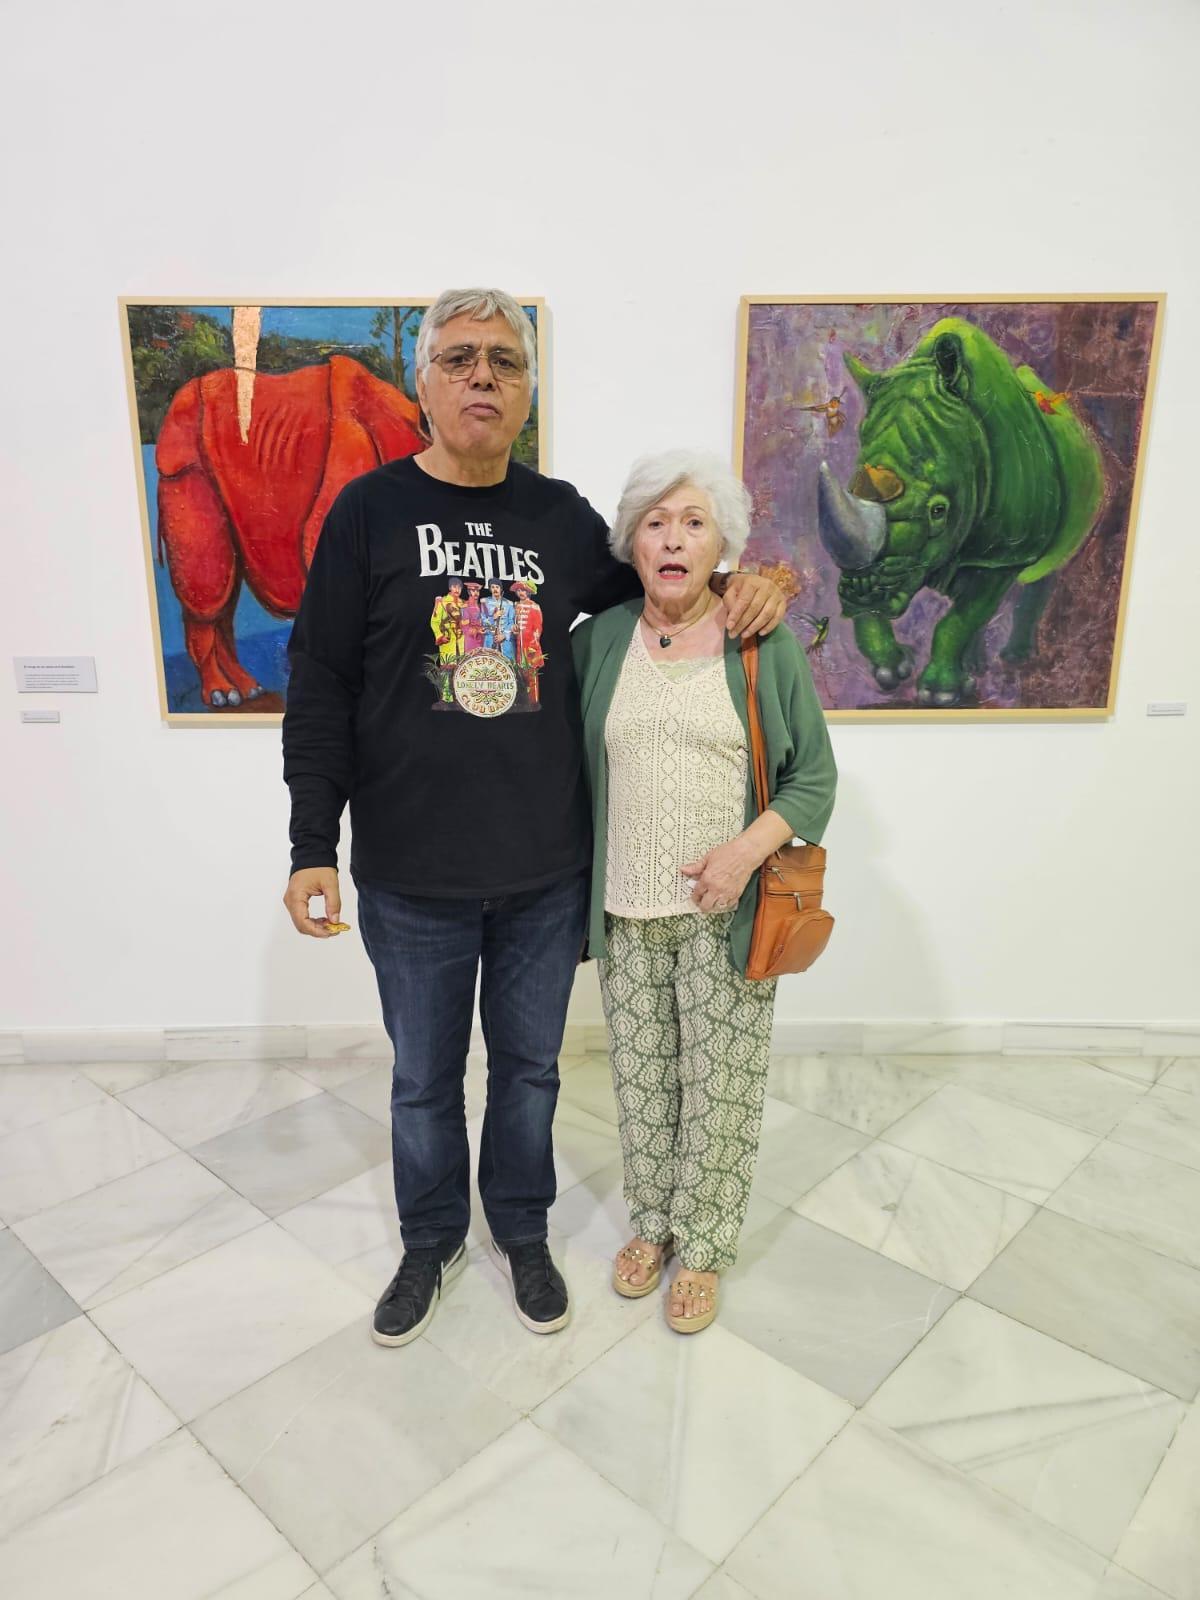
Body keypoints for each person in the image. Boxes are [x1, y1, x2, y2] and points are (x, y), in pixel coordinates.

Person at [282, 290, 786, 1351]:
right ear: (423, 382)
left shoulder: (559, 519)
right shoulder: (366, 515)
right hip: (410, 872)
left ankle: (519, 1228)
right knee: (424, 1080)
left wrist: (758, 581)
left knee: (530, 1072)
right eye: (459, 358)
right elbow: (319, 684)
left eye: (504, 362)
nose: (481, 377)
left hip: (544, 875)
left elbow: (673, 579)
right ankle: (431, 1238)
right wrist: (310, 846)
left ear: (527, 391)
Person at [572, 449, 836, 1334]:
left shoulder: (762, 640)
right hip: (624, 908)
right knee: (646, 1086)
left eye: (693, 522)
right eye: (655, 522)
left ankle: (708, 1245)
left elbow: (812, 781)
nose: (673, 538)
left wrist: (740, 855)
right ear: (631, 543)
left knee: (721, 1089)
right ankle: (653, 1227)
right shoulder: (599, 640)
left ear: (723, 543)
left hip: (727, 912)